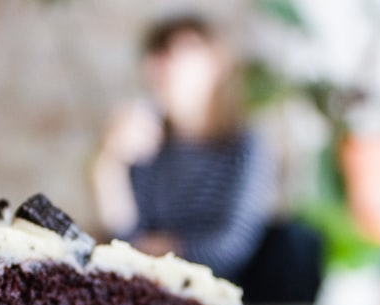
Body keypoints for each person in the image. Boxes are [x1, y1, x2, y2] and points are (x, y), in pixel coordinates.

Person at [91, 14, 275, 283]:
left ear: (218, 64)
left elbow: (229, 247)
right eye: (159, 53)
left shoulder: (245, 144)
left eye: (183, 50)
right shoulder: (144, 141)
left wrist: (155, 250)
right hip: (151, 291)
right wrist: (109, 162)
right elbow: (123, 234)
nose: (166, 64)